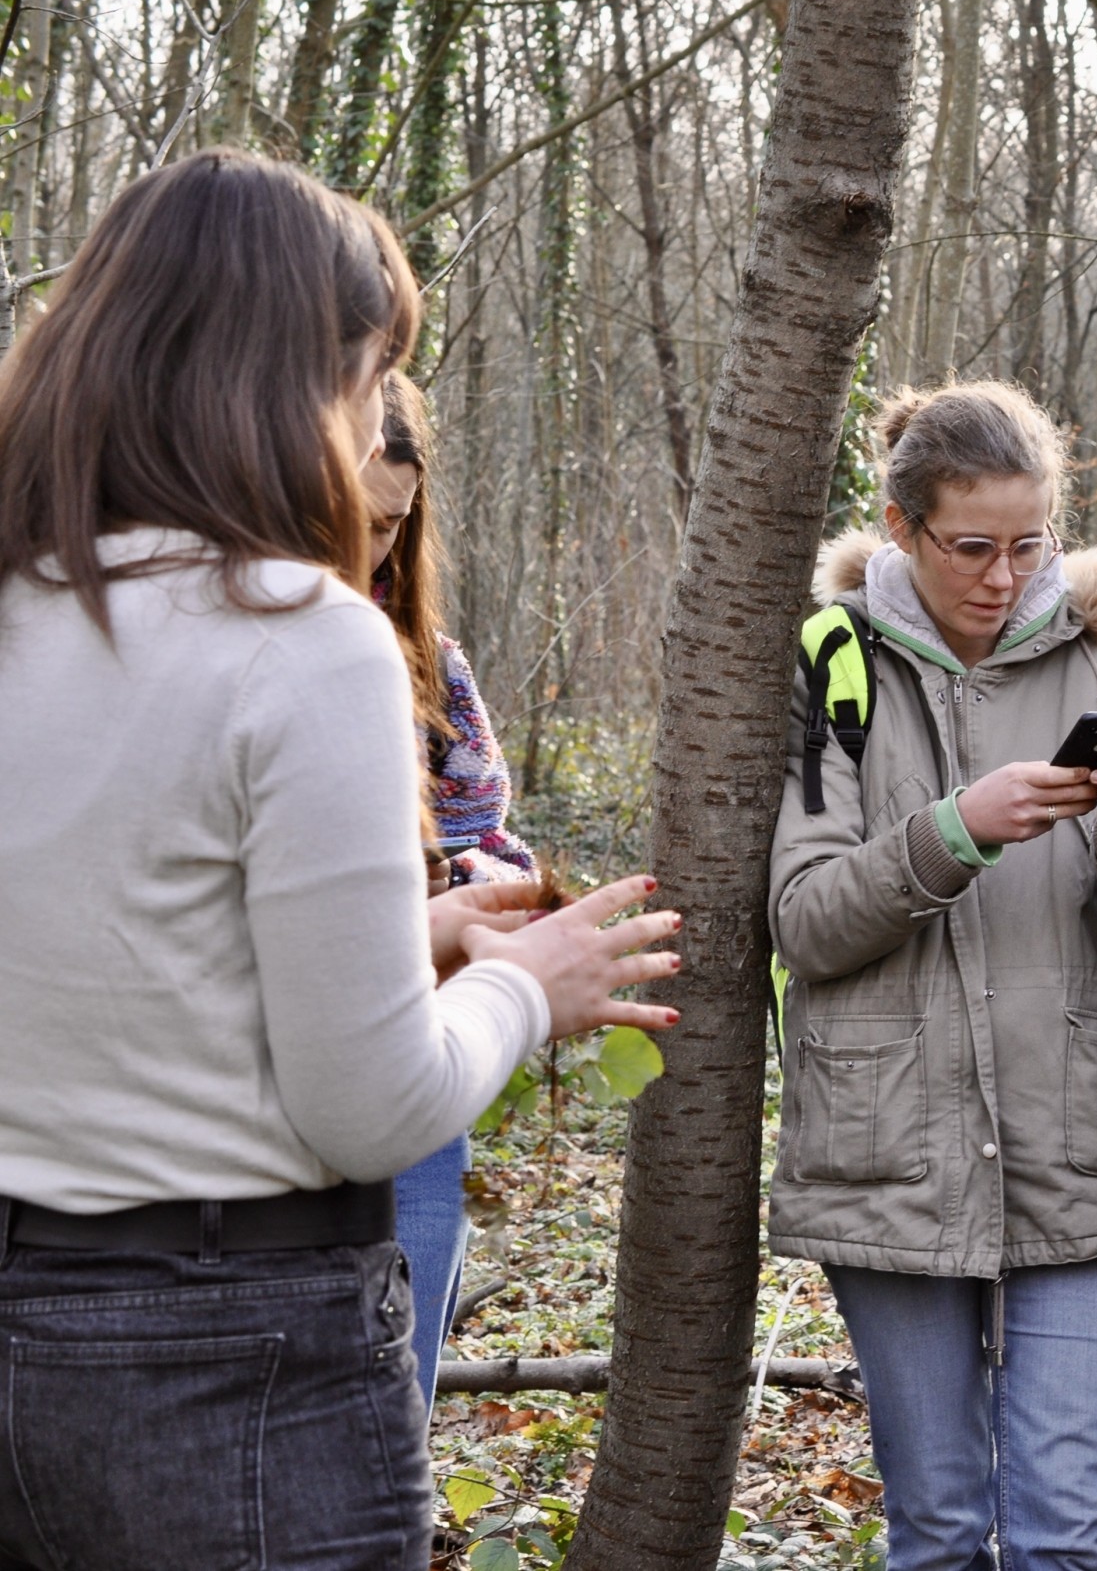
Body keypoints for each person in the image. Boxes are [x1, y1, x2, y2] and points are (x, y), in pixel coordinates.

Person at [0, 148, 680, 1569]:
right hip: (227, 1362)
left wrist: (426, 942)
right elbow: (373, 1111)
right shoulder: (302, 641)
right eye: (374, 376)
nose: (380, 422)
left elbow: (105, 945)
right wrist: (524, 986)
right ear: (283, 380)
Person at [767, 380, 1097, 1571]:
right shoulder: (833, 666)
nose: (1003, 576)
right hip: (890, 1153)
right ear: (905, 529)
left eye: (1030, 545)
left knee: (1066, 1537)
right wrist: (955, 829)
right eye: (972, 546)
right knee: (940, 1533)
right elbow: (805, 921)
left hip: (1080, 1147)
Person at [364, 370, 541, 1408]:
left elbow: (494, 844)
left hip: (422, 1058)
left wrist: (462, 883)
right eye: (351, 519)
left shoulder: (431, 664)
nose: (371, 550)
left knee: (400, 1393)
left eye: (393, 526)